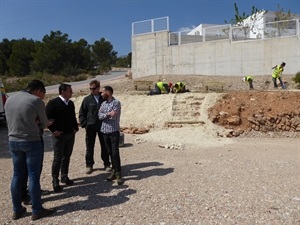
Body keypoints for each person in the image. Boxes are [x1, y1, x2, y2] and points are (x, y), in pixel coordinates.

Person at [4, 80, 56, 221]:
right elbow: (45, 123)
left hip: (13, 141)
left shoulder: (9, 99)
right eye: (42, 95)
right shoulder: (35, 101)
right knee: (33, 176)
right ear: (39, 91)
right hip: (31, 141)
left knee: (17, 175)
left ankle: (16, 210)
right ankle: (37, 210)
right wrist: (46, 123)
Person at [46, 83, 78, 192]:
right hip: (59, 136)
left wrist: (75, 128)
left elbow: (73, 117)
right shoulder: (53, 103)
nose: (71, 92)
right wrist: (53, 131)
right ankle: (55, 180)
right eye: (69, 90)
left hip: (70, 135)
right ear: (62, 91)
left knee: (67, 156)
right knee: (58, 158)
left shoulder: (70, 103)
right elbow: (46, 119)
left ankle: (64, 176)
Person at [79, 80, 111, 174]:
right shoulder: (87, 99)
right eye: (90, 88)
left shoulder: (104, 98)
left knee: (105, 146)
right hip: (91, 127)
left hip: (103, 126)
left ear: (98, 88)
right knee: (89, 146)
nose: (92, 90)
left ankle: (106, 164)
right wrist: (84, 124)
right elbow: (82, 113)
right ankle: (89, 165)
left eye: (93, 88)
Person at [98, 86, 124, 185]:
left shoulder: (116, 102)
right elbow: (99, 116)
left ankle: (118, 173)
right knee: (109, 152)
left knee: (114, 152)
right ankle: (113, 171)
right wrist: (108, 114)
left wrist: (106, 114)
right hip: (104, 131)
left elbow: (114, 115)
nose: (101, 94)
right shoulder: (103, 104)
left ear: (108, 92)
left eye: (102, 92)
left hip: (113, 131)